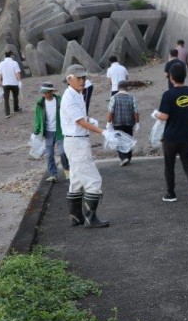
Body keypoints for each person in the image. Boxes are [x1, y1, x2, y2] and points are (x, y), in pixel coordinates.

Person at [61, 64, 109, 228]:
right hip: (76, 141)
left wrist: (90, 120)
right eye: (79, 78)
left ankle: (76, 217)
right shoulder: (69, 97)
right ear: (69, 79)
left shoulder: (76, 94)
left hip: (75, 140)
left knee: (76, 180)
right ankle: (90, 219)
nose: (82, 80)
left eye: (84, 77)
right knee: (93, 180)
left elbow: (82, 118)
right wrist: (102, 131)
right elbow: (79, 121)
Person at [156, 63, 188, 203]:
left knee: (169, 165)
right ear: (185, 76)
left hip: (171, 137)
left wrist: (156, 115)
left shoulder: (168, 94)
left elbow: (164, 116)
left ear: (171, 78)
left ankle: (171, 193)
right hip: (187, 135)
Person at [33, 82, 70, 182]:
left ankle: (67, 170)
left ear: (51, 92)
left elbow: (67, 113)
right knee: (49, 155)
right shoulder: (40, 104)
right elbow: (37, 118)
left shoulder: (60, 101)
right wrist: (36, 131)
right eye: (43, 93)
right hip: (48, 132)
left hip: (60, 131)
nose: (45, 95)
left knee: (62, 152)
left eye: (46, 93)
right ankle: (53, 174)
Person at [107, 80, 139, 167]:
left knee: (119, 140)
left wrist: (108, 122)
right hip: (129, 122)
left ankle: (123, 157)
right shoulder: (132, 97)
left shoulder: (114, 97)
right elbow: (135, 111)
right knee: (128, 139)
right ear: (127, 88)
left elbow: (111, 111)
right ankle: (128, 157)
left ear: (118, 88)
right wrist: (137, 123)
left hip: (118, 122)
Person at [0, 50, 23, 118]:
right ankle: (16, 109)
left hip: (5, 83)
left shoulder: (1, 63)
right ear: (11, 55)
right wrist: (19, 81)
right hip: (14, 82)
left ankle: (7, 113)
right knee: (15, 97)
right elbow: (17, 73)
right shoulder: (14, 63)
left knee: (6, 99)